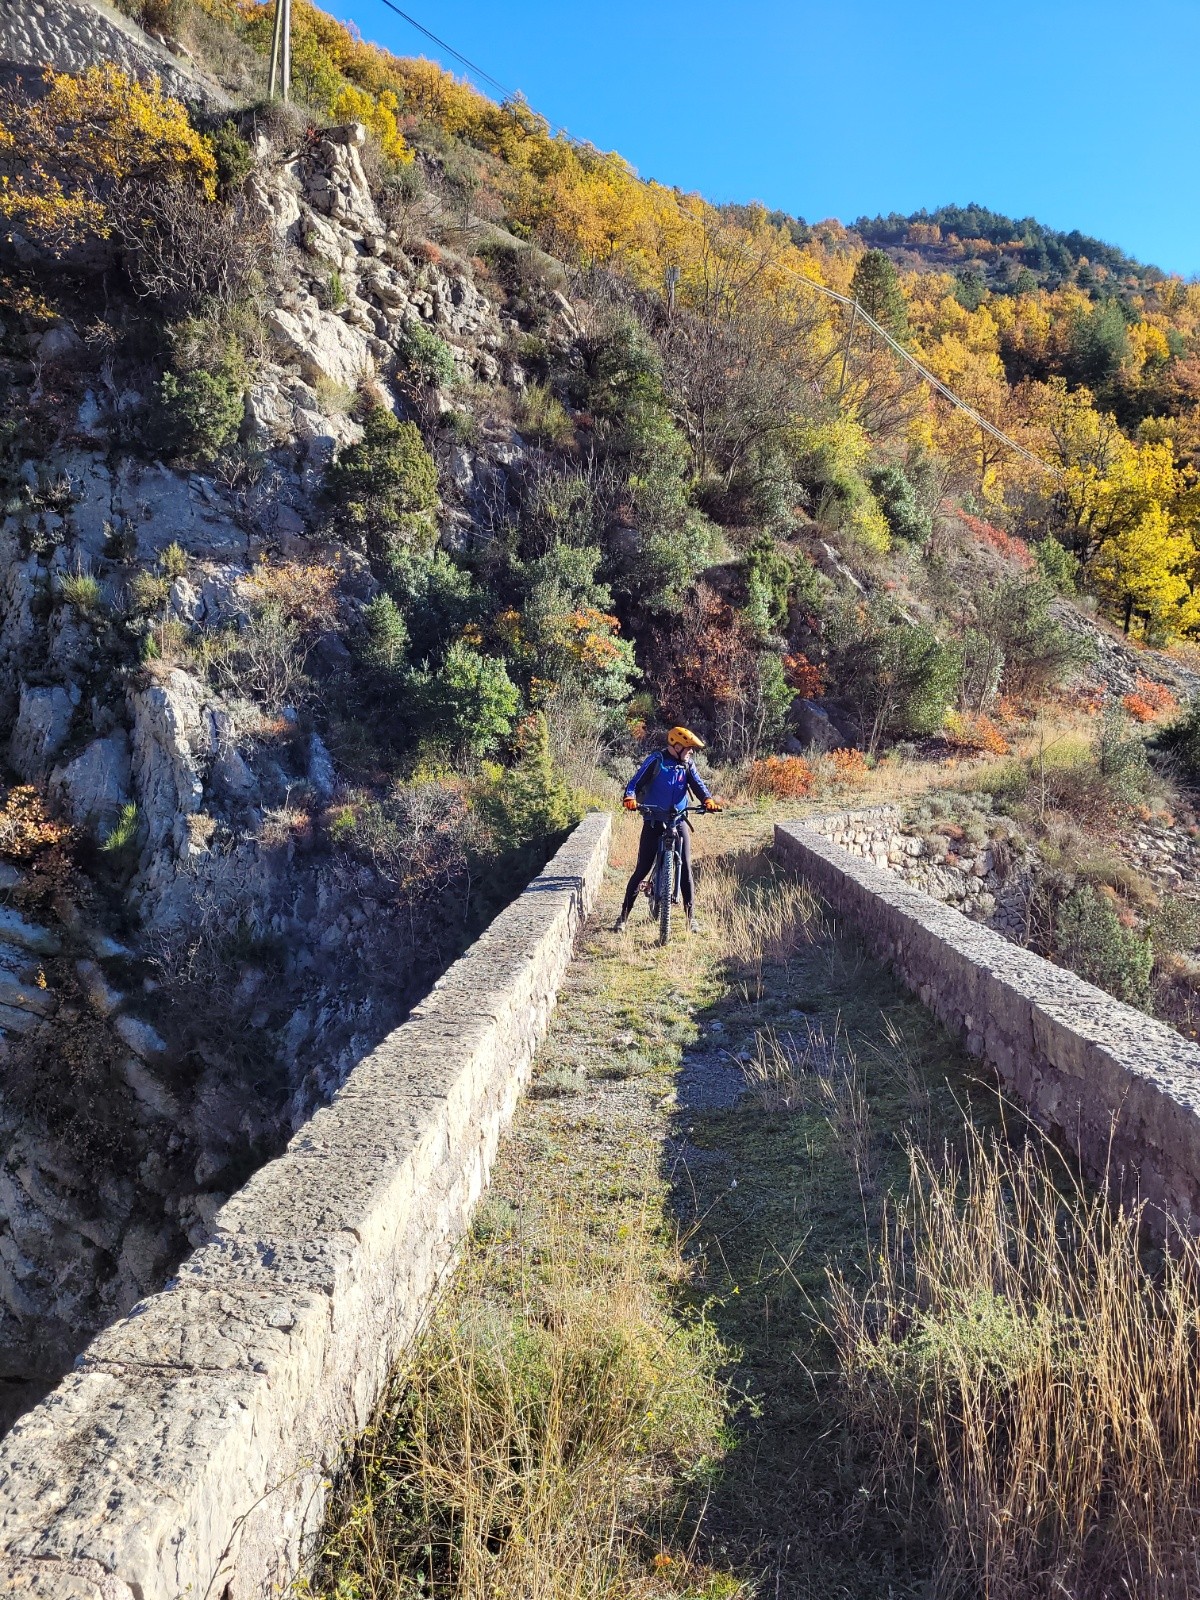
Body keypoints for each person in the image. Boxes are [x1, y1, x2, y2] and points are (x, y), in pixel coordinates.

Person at [613, 726, 720, 935]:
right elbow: (635, 782)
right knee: (642, 869)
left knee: (686, 869)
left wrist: (707, 800)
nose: (691, 752)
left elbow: (698, 784)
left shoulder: (687, 763)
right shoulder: (657, 760)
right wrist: (630, 798)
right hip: (653, 819)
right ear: (676, 745)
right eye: (688, 748)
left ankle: (692, 919)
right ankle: (623, 917)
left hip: (678, 820)